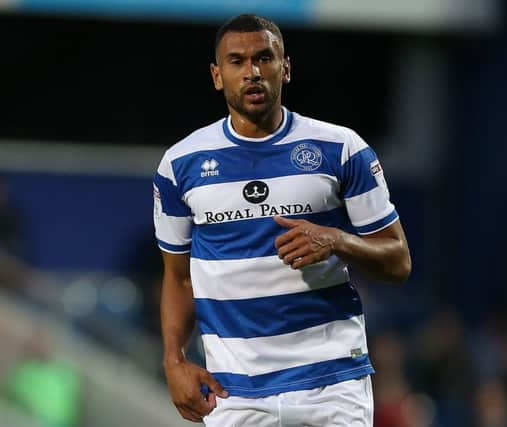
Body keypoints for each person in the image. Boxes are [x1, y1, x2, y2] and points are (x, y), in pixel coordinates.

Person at [153, 13, 411, 426]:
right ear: (217, 76)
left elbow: (398, 261)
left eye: (264, 58)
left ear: (285, 68)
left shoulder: (341, 149)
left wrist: (336, 240)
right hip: (233, 390)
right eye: (236, 62)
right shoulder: (180, 165)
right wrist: (173, 360)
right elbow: (178, 276)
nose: (252, 72)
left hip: (332, 382)